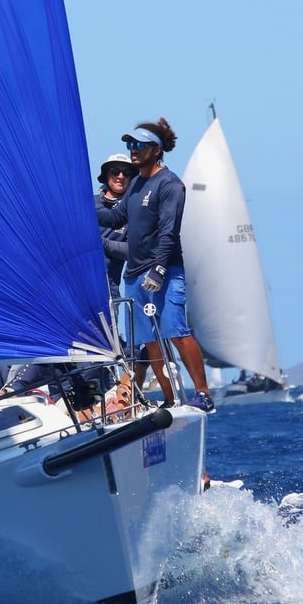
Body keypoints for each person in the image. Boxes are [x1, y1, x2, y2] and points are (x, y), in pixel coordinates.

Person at [95, 118, 214, 412]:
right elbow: (114, 218)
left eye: (138, 146)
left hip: (163, 271)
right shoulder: (136, 183)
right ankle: (170, 398)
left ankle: (203, 392)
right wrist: (82, 203)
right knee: (148, 339)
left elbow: (169, 231)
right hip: (134, 275)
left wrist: (159, 269)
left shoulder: (169, 184)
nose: (132, 151)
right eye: (129, 145)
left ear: (156, 150)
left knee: (175, 330)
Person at [95, 153, 136, 300]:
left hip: (107, 291)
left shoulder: (135, 212)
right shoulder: (87, 204)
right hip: (72, 284)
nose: (120, 176)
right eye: (115, 171)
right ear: (106, 175)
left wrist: (101, 243)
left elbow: (134, 252)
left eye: (126, 172)